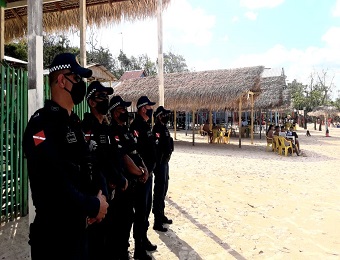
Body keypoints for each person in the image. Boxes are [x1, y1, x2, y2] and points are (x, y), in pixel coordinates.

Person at [22, 53, 109, 260]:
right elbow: (53, 183)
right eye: (77, 79)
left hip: (79, 232)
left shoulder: (74, 123)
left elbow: (90, 164)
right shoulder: (40, 125)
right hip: (55, 239)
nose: (81, 84)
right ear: (61, 80)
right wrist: (93, 205)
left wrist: (101, 195)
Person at [81, 81, 127, 260]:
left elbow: (115, 155)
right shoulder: (86, 128)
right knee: (97, 245)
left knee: (110, 239)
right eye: (101, 97)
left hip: (112, 195)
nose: (105, 100)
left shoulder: (106, 128)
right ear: (91, 102)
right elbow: (95, 162)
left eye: (107, 97)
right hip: (97, 196)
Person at [107, 95, 149, 260]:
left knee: (130, 219)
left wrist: (144, 168)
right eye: (122, 109)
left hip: (134, 184)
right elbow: (124, 158)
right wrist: (140, 172)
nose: (125, 112)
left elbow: (136, 152)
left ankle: (129, 250)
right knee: (120, 224)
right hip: (122, 188)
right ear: (115, 113)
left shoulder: (126, 130)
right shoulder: (113, 132)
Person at [130, 96, 157, 259]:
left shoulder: (146, 125)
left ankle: (144, 238)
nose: (151, 109)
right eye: (148, 107)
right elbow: (135, 151)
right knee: (140, 212)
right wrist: (142, 170)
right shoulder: (136, 127)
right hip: (141, 178)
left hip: (149, 175)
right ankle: (138, 248)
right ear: (142, 108)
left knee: (146, 210)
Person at [152, 106, 174, 232]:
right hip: (160, 163)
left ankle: (162, 214)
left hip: (165, 162)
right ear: (159, 116)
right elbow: (156, 147)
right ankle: (157, 220)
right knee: (159, 191)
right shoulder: (157, 129)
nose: (166, 116)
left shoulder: (164, 128)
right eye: (164, 115)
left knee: (164, 189)